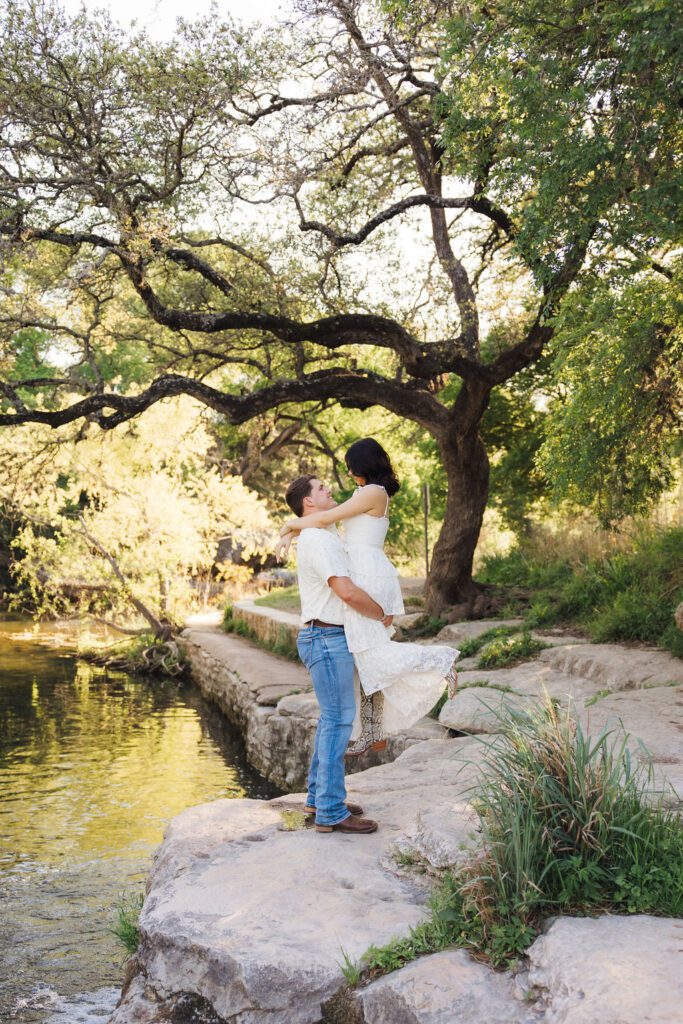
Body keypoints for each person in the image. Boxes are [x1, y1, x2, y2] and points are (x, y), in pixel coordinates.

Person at [278, 439, 459, 756]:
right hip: (360, 569)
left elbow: (321, 518)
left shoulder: (374, 492)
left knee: (371, 655)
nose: (347, 471)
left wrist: (289, 525)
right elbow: (322, 517)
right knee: (365, 660)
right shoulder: (362, 494)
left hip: (367, 574)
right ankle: (373, 733)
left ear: (362, 464)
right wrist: (292, 532)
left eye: (350, 464)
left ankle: (440, 661)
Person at [284, 473, 392, 834]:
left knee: (332, 721)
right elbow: (345, 591)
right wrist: (380, 612)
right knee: (339, 721)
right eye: (321, 488)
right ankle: (330, 811)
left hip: (326, 638)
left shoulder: (321, 533)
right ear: (308, 502)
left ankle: (320, 799)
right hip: (326, 638)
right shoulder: (319, 540)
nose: (329, 489)